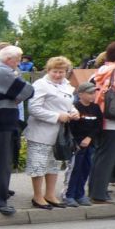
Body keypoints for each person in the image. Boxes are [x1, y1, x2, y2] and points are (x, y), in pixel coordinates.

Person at [0, 46, 35, 215]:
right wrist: (16, 94)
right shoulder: (2, 72)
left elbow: (22, 92)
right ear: (9, 59)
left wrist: (16, 94)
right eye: (17, 60)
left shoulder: (1, 72)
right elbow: (28, 90)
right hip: (1, 123)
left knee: (3, 161)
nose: (19, 63)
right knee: (1, 163)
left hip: (2, 122)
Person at [24, 56, 79, 209]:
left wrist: (74, 112)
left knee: (54, 164)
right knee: (38, 165)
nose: (58, 75)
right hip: (40, 132)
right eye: (55, 71)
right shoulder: (41, 85)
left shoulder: (66, 85)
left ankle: (50, 194)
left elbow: (69, 105)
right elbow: (34, 109)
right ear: (48, 70)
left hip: (59, 134)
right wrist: (56, 116)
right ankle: (37, 196)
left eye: (61, 72)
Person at [89, 41, 115, 204]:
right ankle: (100, 193)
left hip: (99, 117)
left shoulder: (100, 71)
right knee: (108, 156)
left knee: (99, 154)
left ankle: (94, 189)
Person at [65, 82, 101, 206]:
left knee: (86, 168)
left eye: (94, 92)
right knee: (75, 169)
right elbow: (72, 127)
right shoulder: (75, 107)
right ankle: (69, 194)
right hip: (77, 144)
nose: (93, 95)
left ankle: (80, 194)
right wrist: (78, 141)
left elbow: (98, 125)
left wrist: (89, 138)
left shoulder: (95, 107)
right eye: (90, 93)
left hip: (89, 143)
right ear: (80, 94)